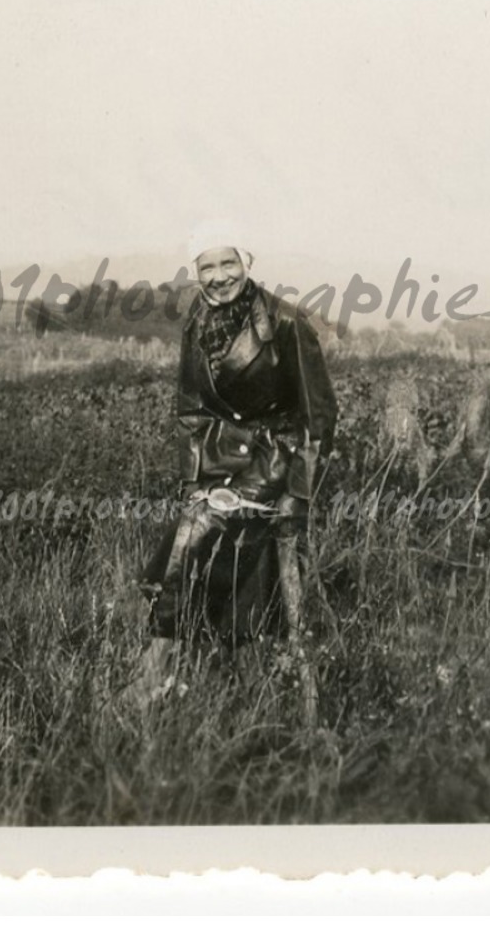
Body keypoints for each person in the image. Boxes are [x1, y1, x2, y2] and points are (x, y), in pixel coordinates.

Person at [127, 230, 338, 718]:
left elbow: (319, 417)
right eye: (207, 267)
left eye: (228, 264)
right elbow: (191, 410)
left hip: (273, 460)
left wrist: (297, 494)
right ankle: (233, 689)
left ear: (246, 262)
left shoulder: (285, 322)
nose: (219, 277)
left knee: (191, 542)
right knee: (201, 542)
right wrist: (194, 482)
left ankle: (152, 674)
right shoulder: (197, 321)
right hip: (219, 463)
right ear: (195, 272)